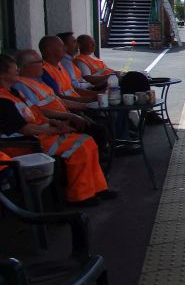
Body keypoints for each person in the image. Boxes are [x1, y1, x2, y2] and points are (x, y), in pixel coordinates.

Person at [0, 54, 114, 206]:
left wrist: (53, 122)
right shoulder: (3, 101)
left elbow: (35, 113)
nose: (17, 71)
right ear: (3, 74)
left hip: (41, 133)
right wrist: (55, 130)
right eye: (14, 69)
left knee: (88, 142)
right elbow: (26, 129)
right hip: (27, 144)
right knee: (80, 147)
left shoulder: (13, 93)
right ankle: (79, 196)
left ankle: (98, 189)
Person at [14, 49, 110, 157]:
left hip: (64, 117)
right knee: (98, 131)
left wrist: (86, 105)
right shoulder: (21, 86)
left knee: (99, 127)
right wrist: (70, 116)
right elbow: (37, 111)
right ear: (25, 66)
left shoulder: (38, 82)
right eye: (39, 62)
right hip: (52, 124)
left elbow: (59, 101)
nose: (43, 64)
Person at [39, 35, 96, 103]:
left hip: (78, 103)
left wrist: (97, 94)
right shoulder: (44, 71)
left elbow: (72, 89)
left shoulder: (59, 65)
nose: (65, 49)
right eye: (61, 46)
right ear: (49, 49)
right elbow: (58, 98)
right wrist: (87, 101)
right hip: (71, 108)